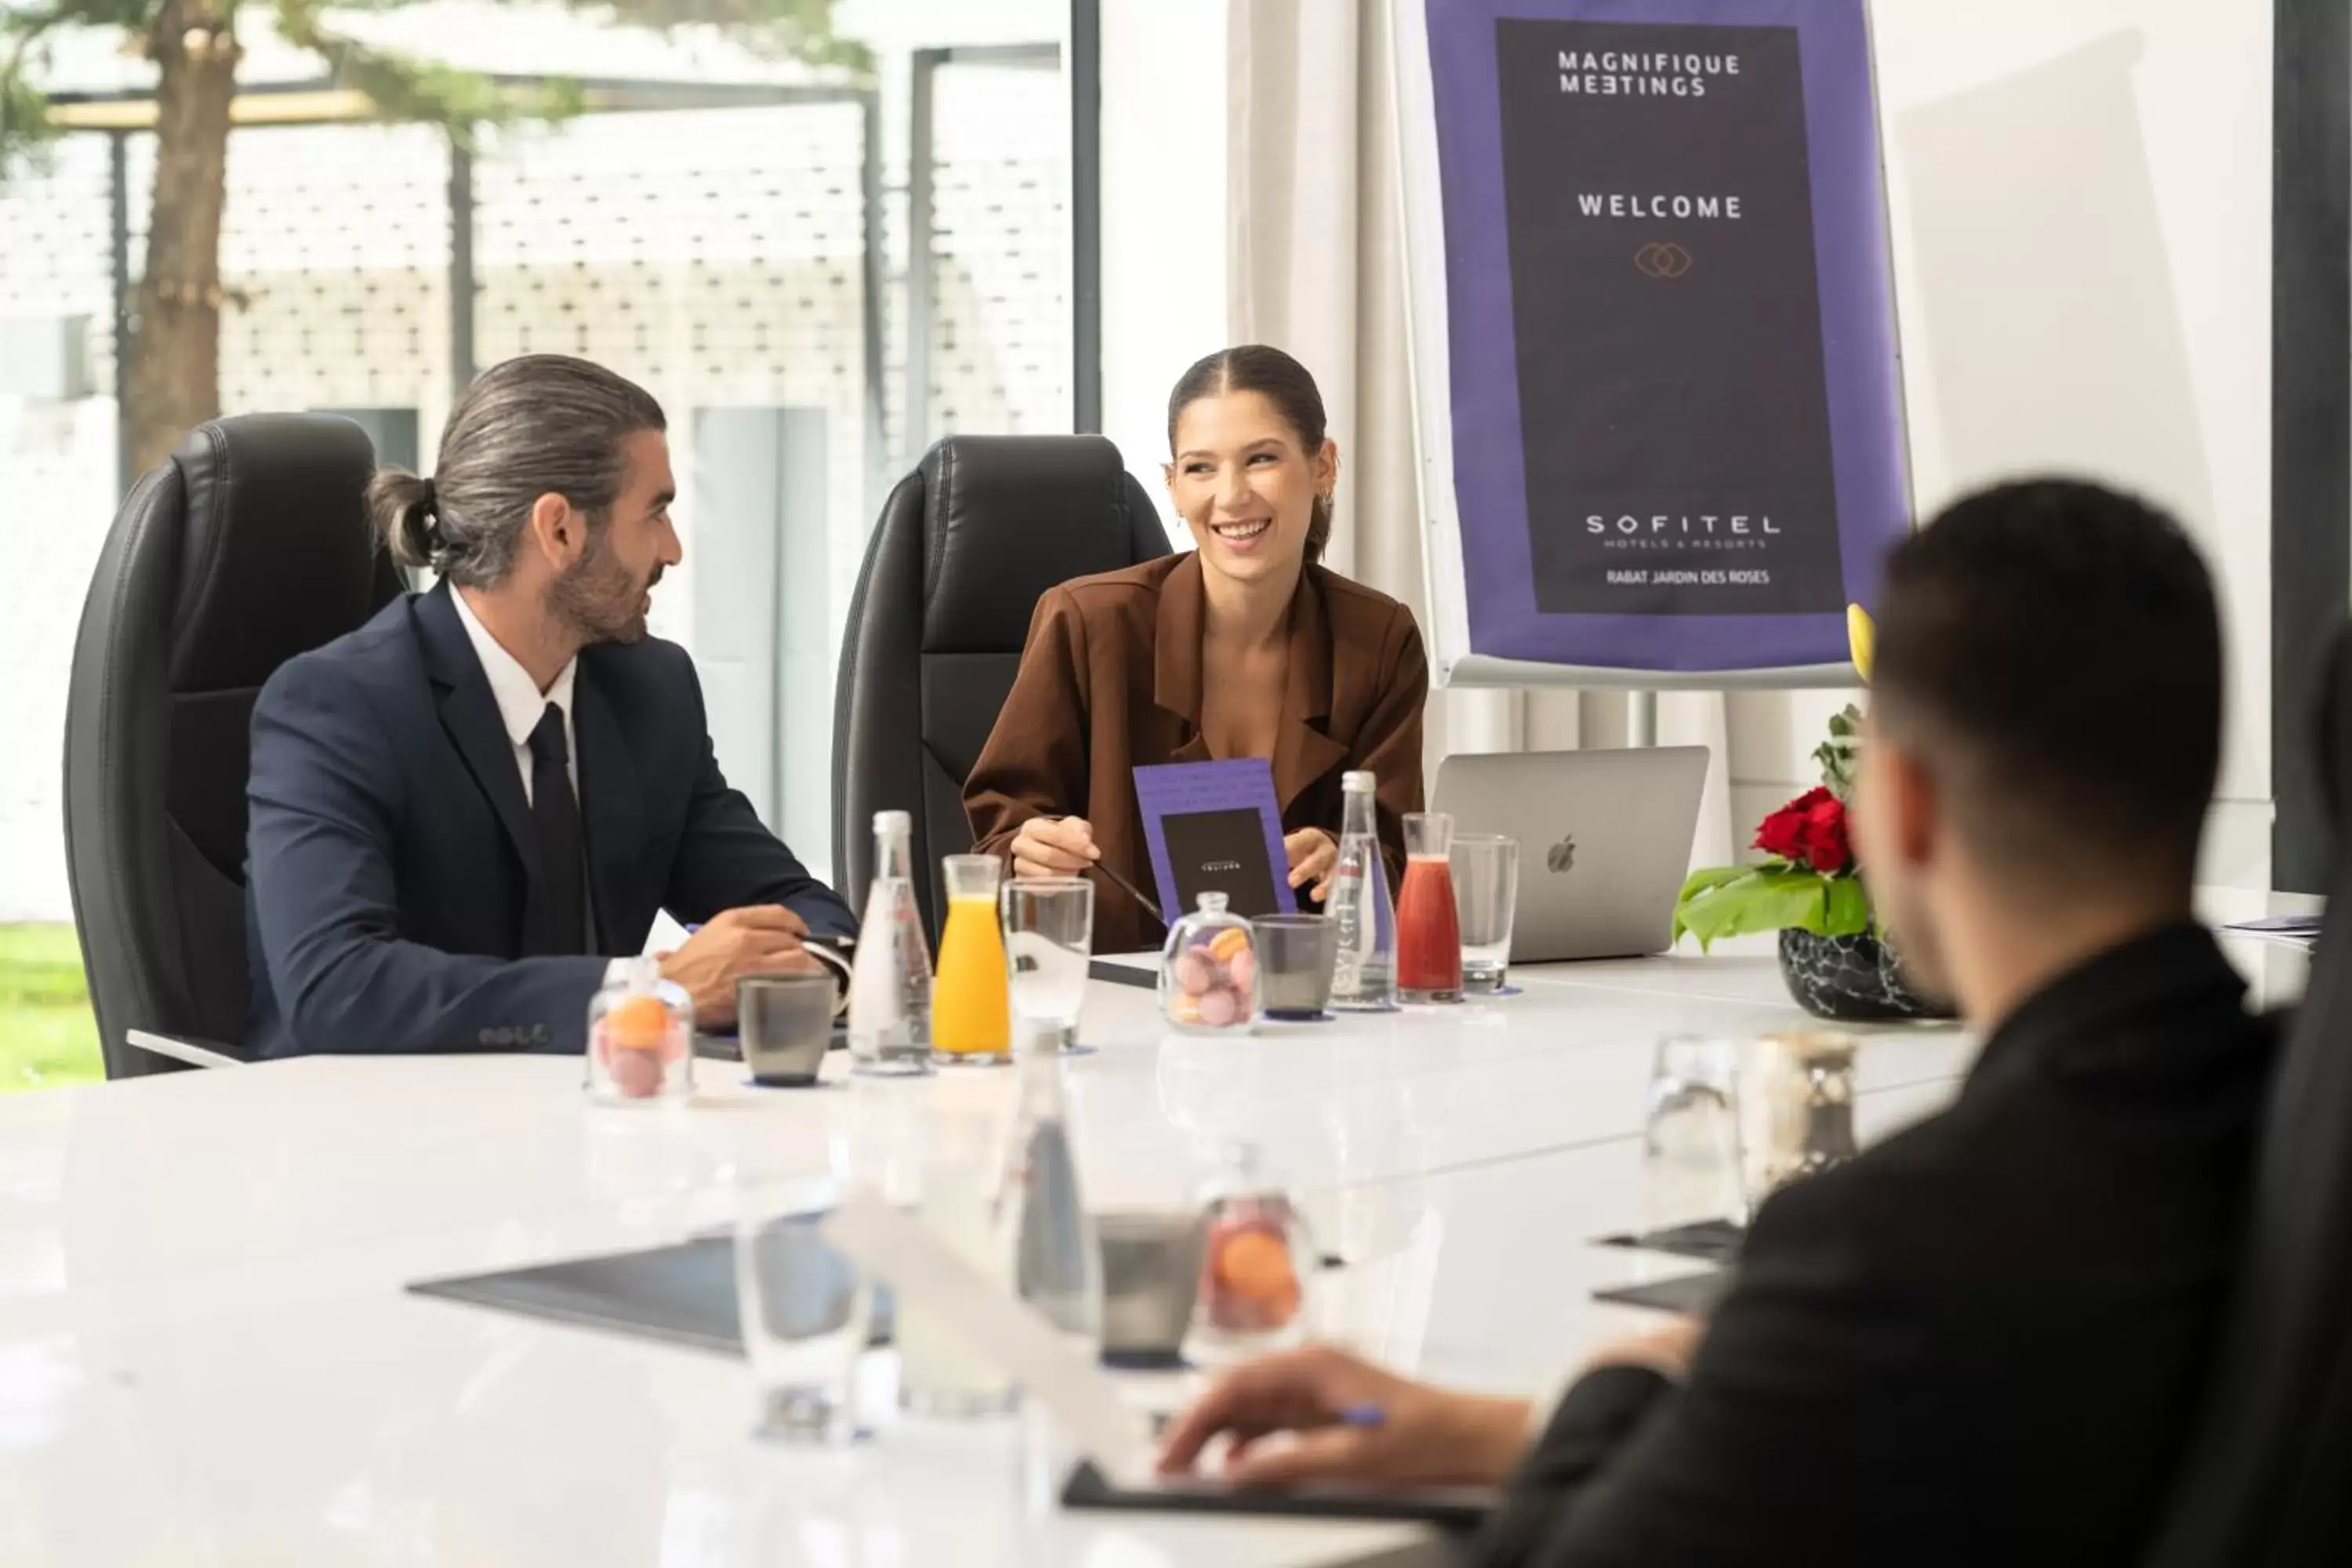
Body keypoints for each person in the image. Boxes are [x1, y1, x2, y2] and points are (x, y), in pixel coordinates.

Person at [1157, 479, 2279, 1566]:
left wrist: (1634, 1374)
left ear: (1908, 805)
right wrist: (1501, 1429)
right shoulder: (2276, 1113)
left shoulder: (1889, 1245)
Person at [244, 354, 855, 1058]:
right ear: (559, 530)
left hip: (599, 1126)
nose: (674, 549)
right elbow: (341, 989)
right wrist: (651, 992)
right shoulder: (340, 704)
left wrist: (800, 967)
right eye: (655, 513)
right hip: (377, 1139)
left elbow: (796, 909)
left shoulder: (650, 690)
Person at [964, 344, 1428, 951]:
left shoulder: (1378, 640)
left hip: (1300, 1005)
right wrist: (1030, 851)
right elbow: (1000, 838)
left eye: (1261, 459)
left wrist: (1347, 858)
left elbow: (1403, 865)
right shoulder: (1088, 621)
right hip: (1118, 998)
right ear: (1173, 487)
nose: (1232, 496)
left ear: (1324, 467)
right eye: (1201, 468)